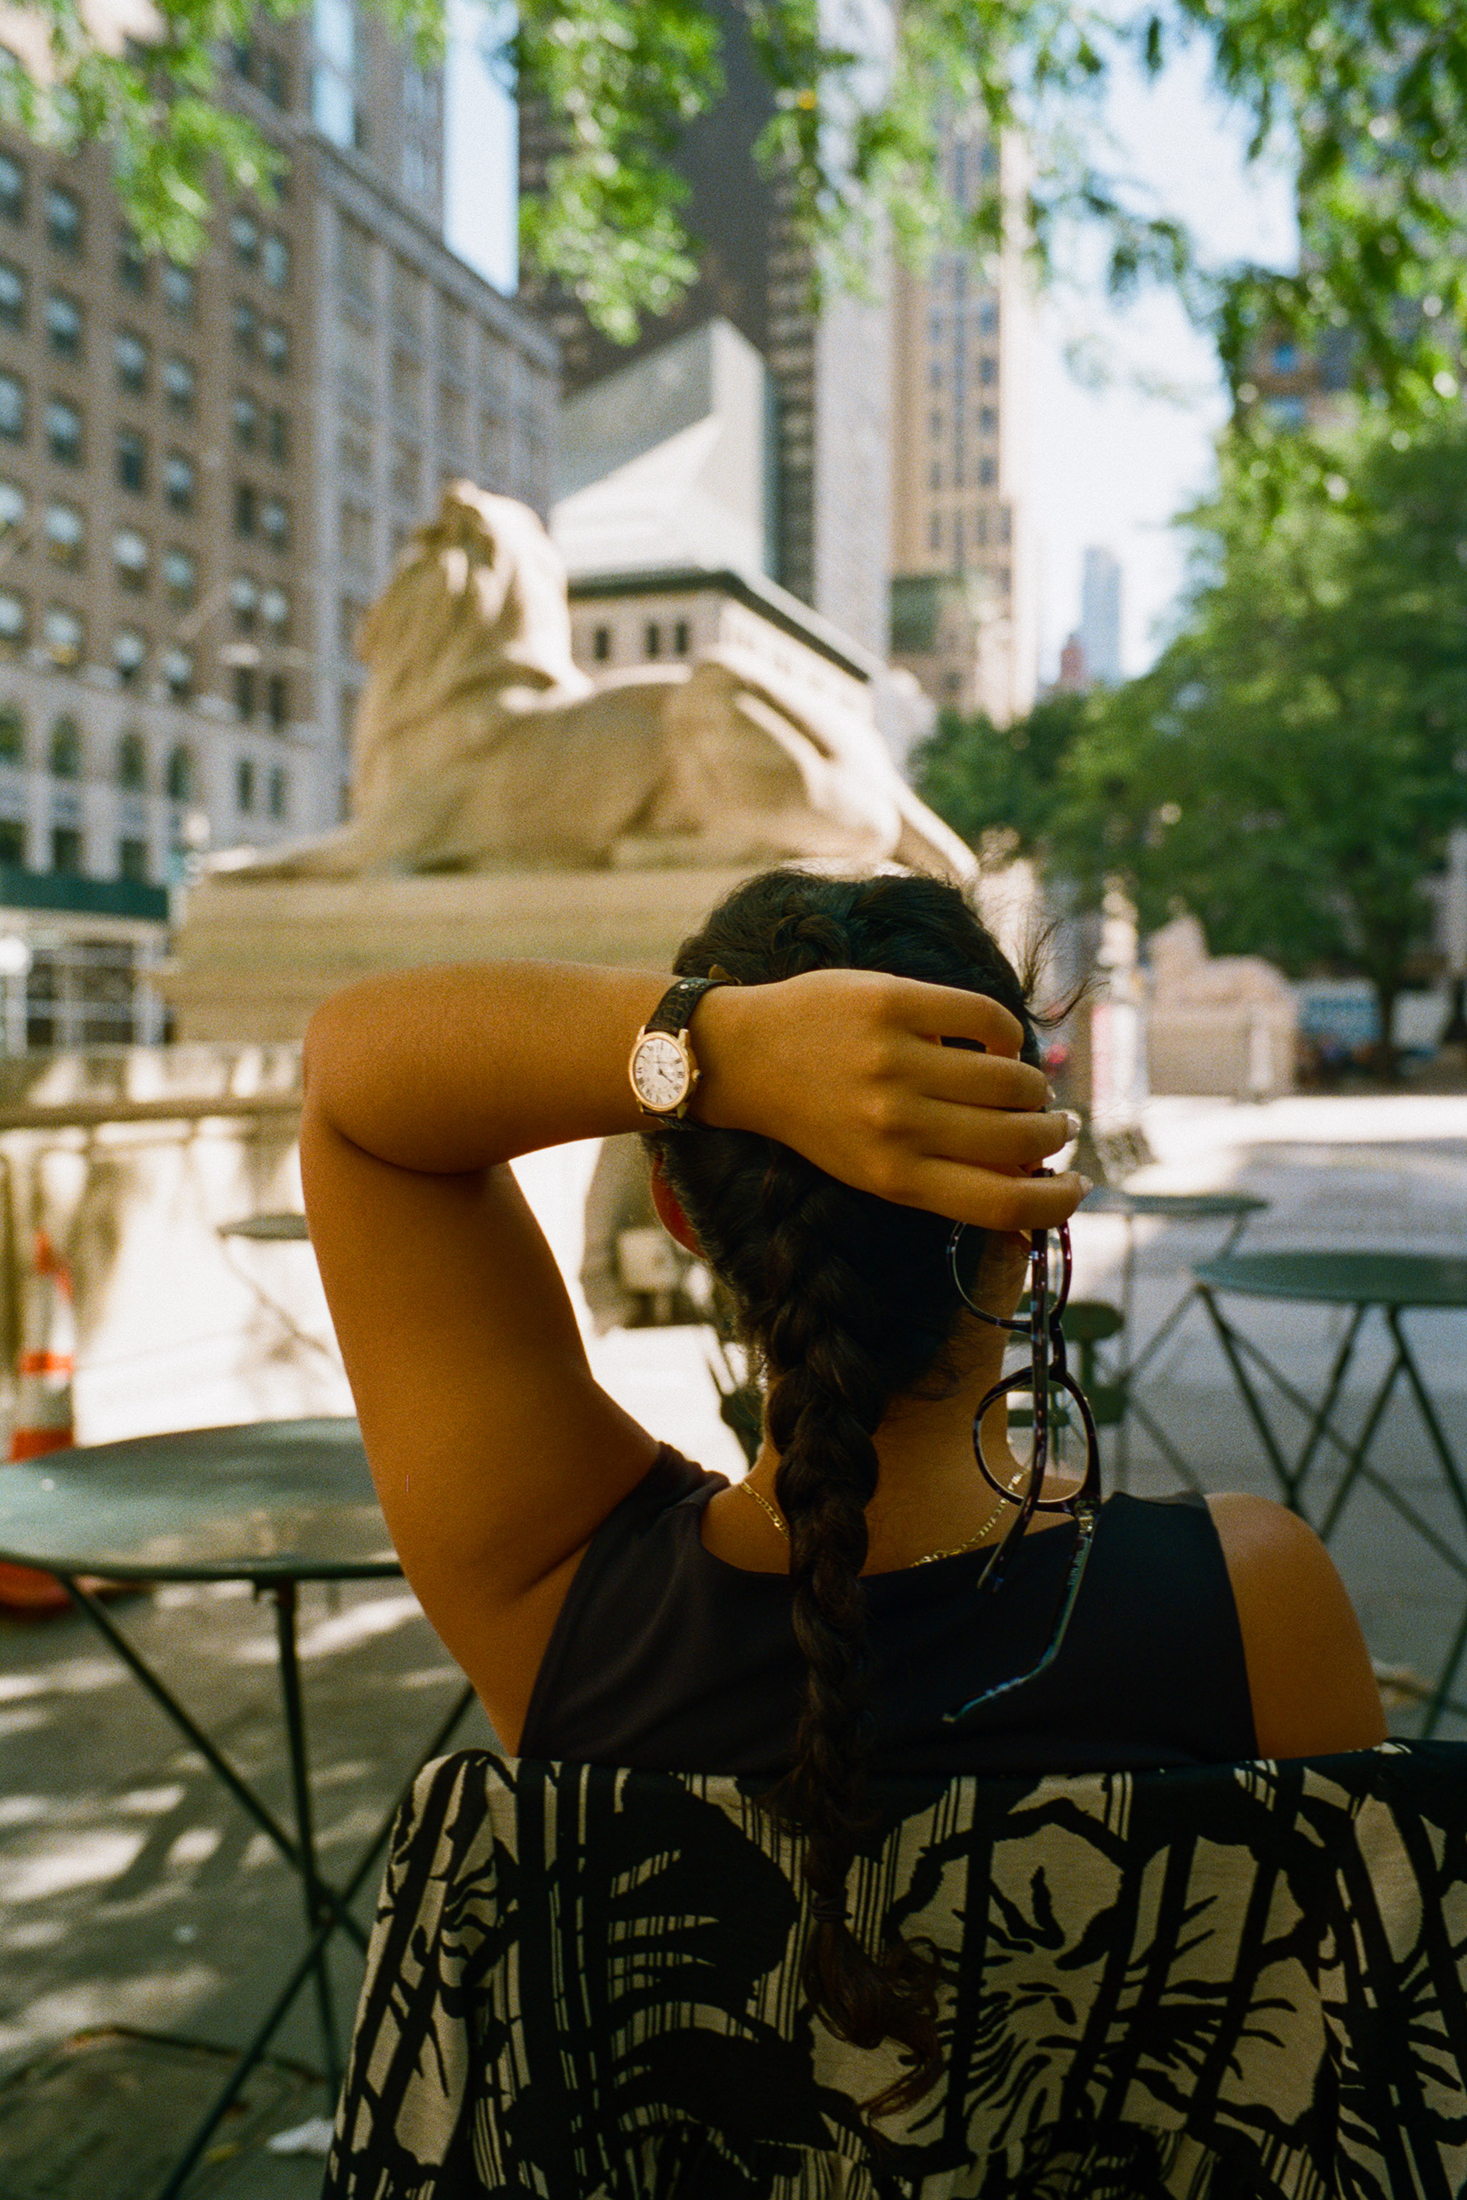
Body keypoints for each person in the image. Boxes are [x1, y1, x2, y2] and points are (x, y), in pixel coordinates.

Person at [301, 866, 1385, 2107]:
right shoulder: (1253, 1602)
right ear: (1031, 1199)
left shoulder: (561, 1593)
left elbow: (354, 1085)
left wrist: (719, 1049)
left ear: (679, 1214)